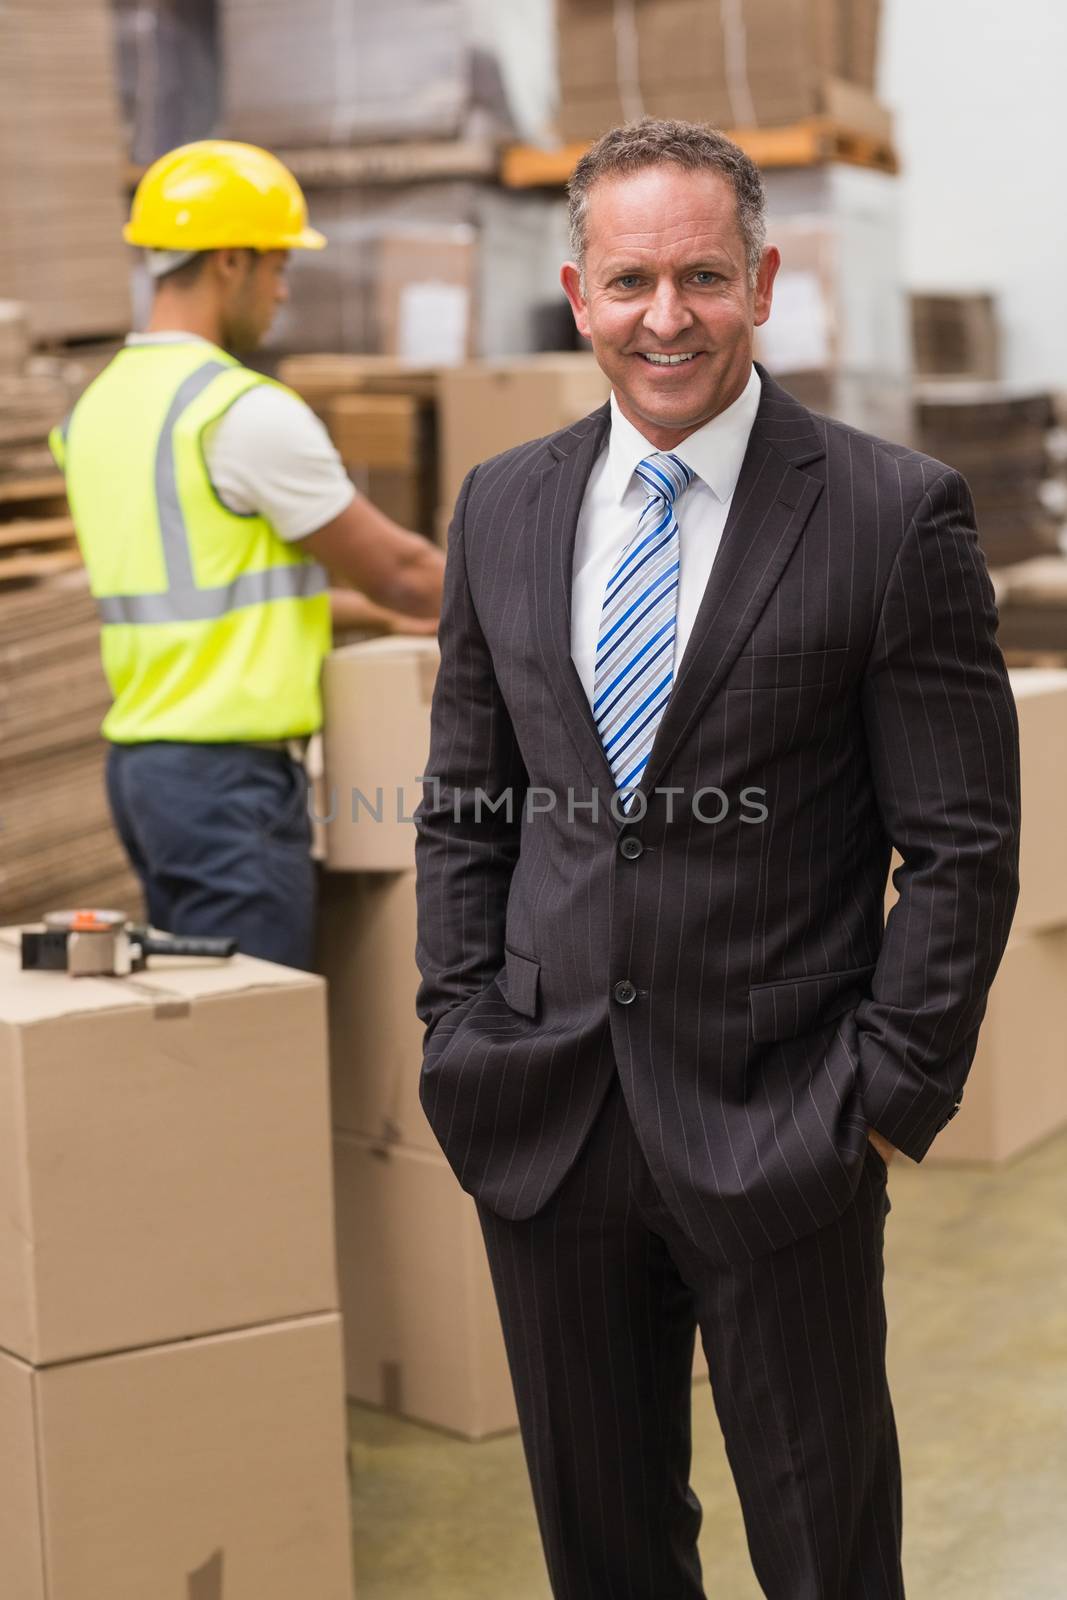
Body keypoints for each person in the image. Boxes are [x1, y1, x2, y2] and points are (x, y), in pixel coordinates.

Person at [414, 120, 1020, 1599]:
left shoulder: (887, 513)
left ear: (760, 280)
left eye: (700, 276)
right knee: (603, 1554)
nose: (664, 318)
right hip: (543, 1121)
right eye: (629, 282)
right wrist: (454, 1025)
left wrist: (880, 1096)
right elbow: (460, 804)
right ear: (575, 293)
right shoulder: (501, 504)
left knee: (823, 1552)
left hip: (779, 1125)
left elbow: (959, 842)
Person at [51, 140, 444, 971]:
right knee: (258, 1038)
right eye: (276, 267)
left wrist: (373, 615)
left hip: (148, 774)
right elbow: (401, 571)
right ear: (230, 260)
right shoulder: (238, 412)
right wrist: (561, 610)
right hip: (229, 782)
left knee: (212, 1027)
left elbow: (212, 593)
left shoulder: (98, 411)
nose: (280, 292)